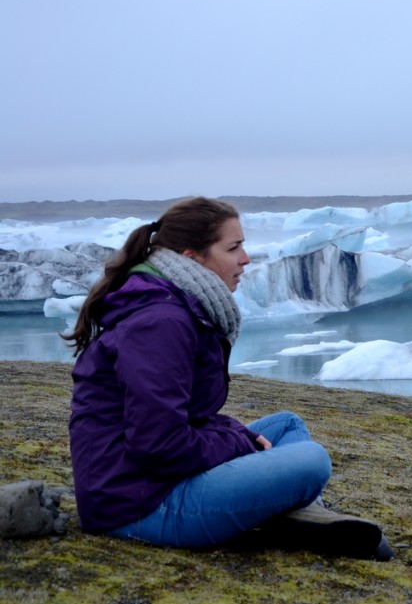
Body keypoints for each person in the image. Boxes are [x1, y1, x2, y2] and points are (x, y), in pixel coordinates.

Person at [64, 197, 392, 560]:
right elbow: (158, 444)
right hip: (138, 505)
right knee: (312, 460)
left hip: (153, 481)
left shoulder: (176, 309)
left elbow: (187, 419)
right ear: (191, 257)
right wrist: (240, 443)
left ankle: (292, 513)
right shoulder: (161, 324)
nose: (246, 259)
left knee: (285, 425)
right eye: (233, 248)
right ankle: (295, 513)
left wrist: (238, 435)